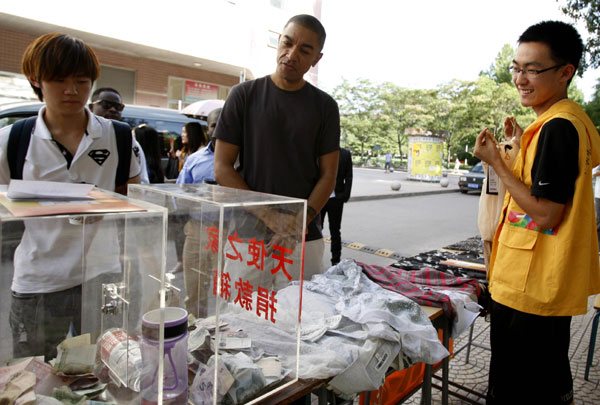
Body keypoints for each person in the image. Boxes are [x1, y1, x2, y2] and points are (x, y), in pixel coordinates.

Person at [474, 21, 600, 404]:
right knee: (545, 377)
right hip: (542, 279)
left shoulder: (557, 128)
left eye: (533, 69)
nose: (520, 79)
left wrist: (497, 163)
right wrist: (517, 148)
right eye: (516, 68)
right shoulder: (571, 121)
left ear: (565, 72)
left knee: (519, 387)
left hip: (529, 286)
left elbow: (545, 214)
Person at [0, 33, 141, 360]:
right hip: (38, 282)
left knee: (109, 362)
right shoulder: (13, 139)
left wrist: (109, 209)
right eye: (59, 80)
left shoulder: (117, 136)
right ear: (36, 81)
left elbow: (134, 194)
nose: (72, 90)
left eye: (82, 80)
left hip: (104, 276)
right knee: (35, 369)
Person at [214, 14, 340, 280]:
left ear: (317, 58)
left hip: (303, 240)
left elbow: (328, 175)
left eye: (305, 50)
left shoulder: (325, 107)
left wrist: (298, 223)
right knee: (239, 318)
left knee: (304, 319)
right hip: (247, 237)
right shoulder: (243, 95)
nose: (291, 54)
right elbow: (222, 168)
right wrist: (271, 217)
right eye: (287, 43)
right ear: (279, 42)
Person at [90, 87, 149, 184]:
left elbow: (141, 183)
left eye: (118, 107)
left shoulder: (128, 142)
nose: (113, 110)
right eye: (106, 105)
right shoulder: (79, 138)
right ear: (91, 107)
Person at [320, 147, 352, 266]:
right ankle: (317, 258)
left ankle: (336, 261)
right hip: (320, 197)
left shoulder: (345, 154)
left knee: (335, 230)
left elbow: (349, 177)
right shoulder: (320, 152)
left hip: (336, 198)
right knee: (318, 229)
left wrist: (345, 196)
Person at [176, 108, 221, 185]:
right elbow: (180, 191)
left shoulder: (243, 159)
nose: (219, 130)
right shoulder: (193, 159)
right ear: (207, 129)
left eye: (224, 125)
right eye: (214, 126)